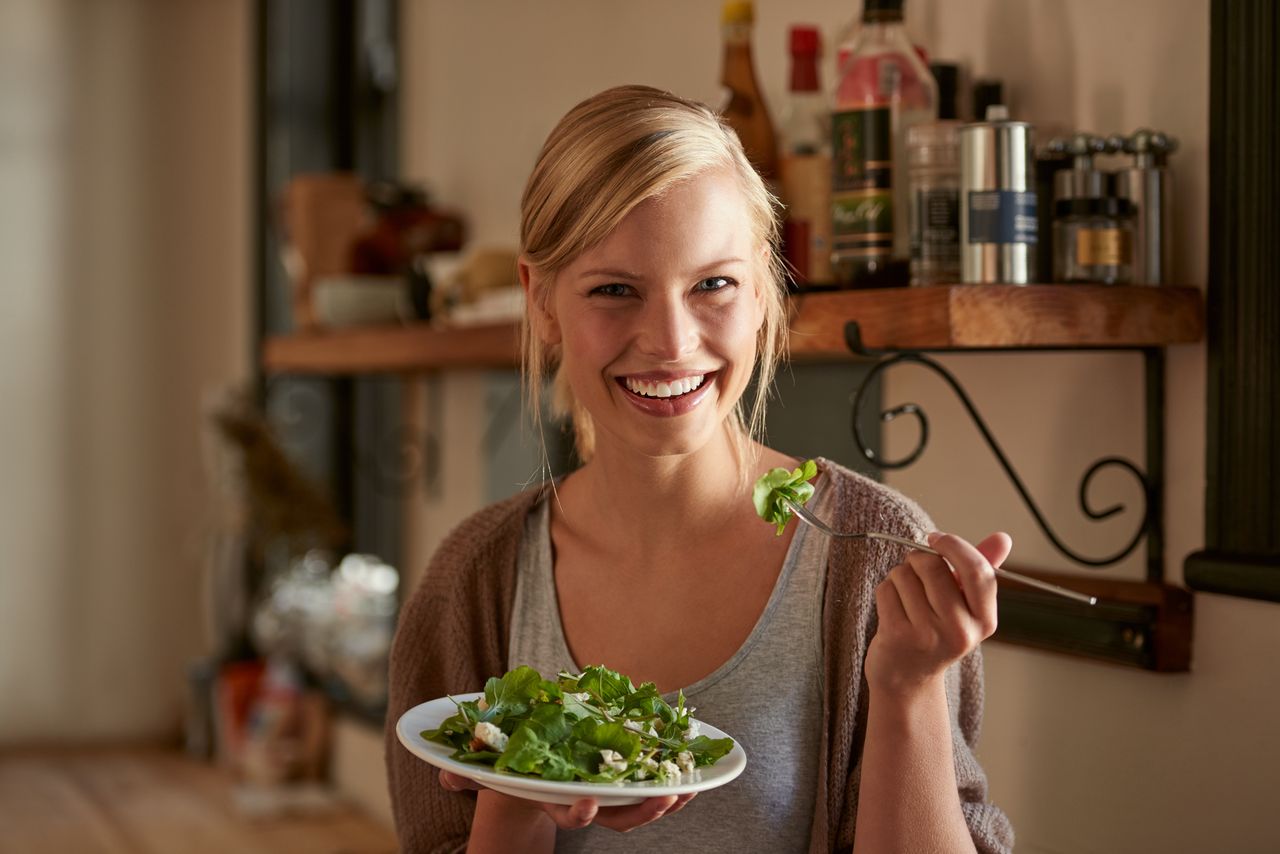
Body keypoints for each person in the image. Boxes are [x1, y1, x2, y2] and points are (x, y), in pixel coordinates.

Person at [385, 84, 1014, 854]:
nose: (672, 342)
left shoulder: (872, 556)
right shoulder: (473, 583)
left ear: (762, 291)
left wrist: (908, 688)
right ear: (542, 303)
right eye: (615, 291)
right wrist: (518, 794)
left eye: (712, 284)